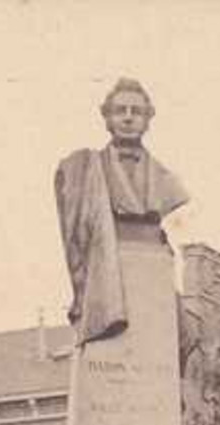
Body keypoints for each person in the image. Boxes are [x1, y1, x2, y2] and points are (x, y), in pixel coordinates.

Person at [55, 78, 188, 345]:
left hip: (150, 266)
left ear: (148, 119)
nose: (128, 118)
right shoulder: (84, 169)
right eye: (120, 111)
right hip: (109, 260)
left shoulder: (167, 181)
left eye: (136, 112)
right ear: (106, 118)